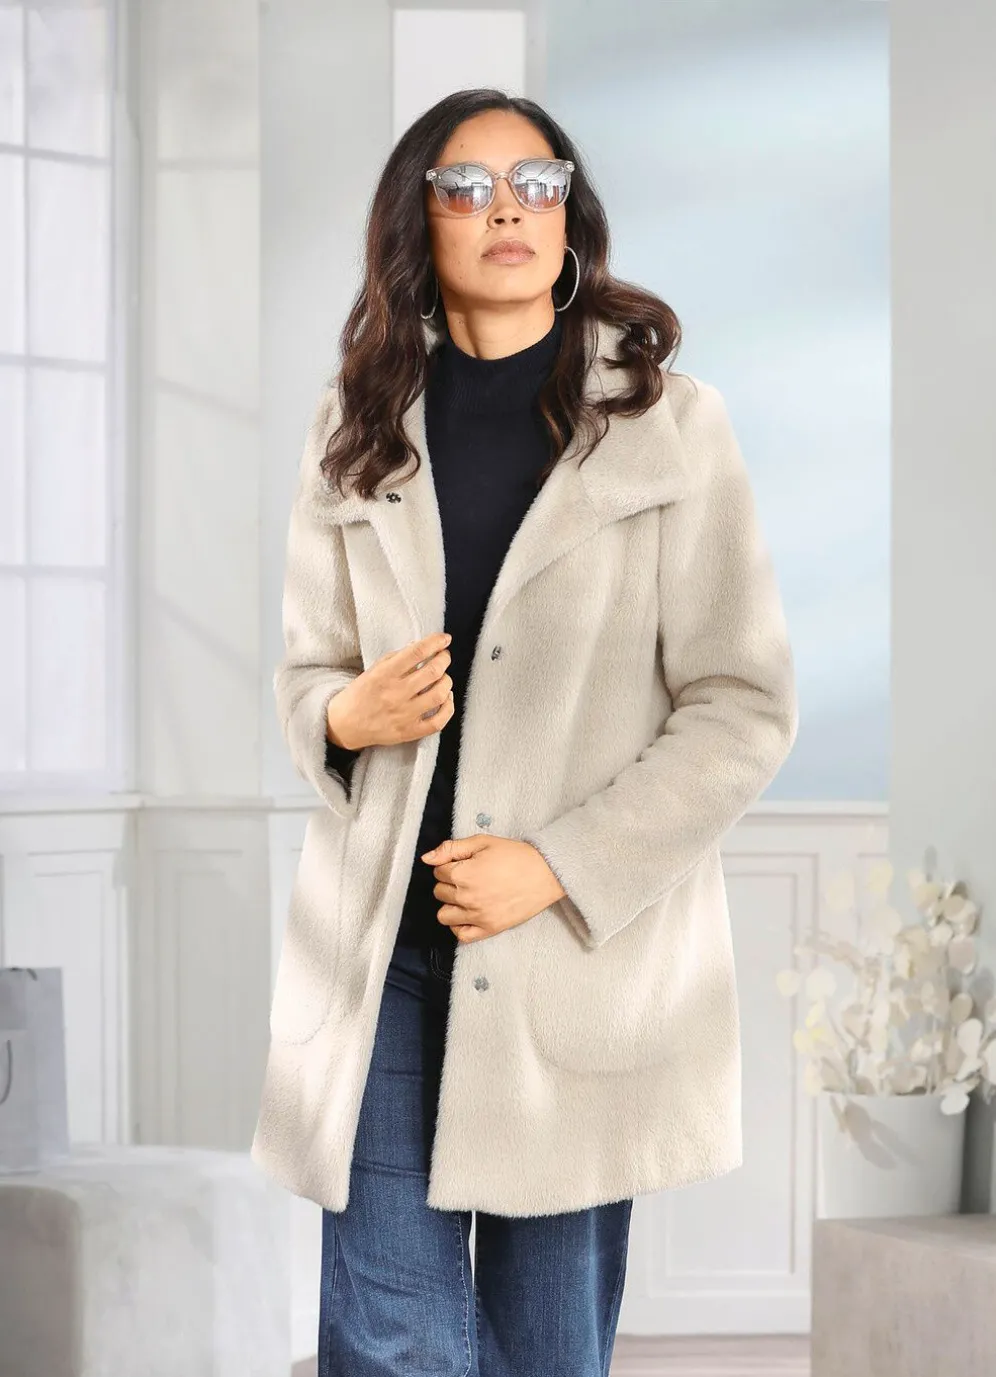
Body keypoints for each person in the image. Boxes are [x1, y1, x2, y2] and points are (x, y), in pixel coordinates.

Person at [254, 88, 798, 1377]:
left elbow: (742, 704)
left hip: (568, 952)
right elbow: (310, 671)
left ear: (569, 215)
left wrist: (555, 863)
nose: (507, 208)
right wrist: (343, 714)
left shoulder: (670, 426)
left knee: (545, 1348)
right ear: (418, 220)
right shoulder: (355, 425)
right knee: (387, 1336)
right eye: (468, 186)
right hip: (380, 945)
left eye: (536, 182)